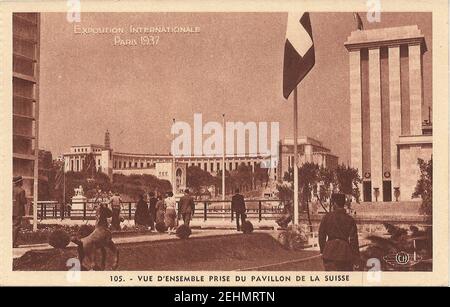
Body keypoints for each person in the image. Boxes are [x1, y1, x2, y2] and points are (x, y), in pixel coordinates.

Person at [318, 193, 360, 271]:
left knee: (331, 281)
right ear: (343, 203)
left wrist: (322, 250)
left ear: (334, 203)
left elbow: (321, 236)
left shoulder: (326, 217)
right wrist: (356, 257)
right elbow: (354, 240)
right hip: (345, 254)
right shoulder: (350, 219)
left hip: (329, 253)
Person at [13, 176, 27, 248]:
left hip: (11, 210)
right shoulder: (21, 191)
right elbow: (23, 201)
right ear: (19, 182)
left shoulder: (11, 189)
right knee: (16, 226)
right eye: (22, 181)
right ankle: (13, 243)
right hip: (18, 211)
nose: (22, 182)